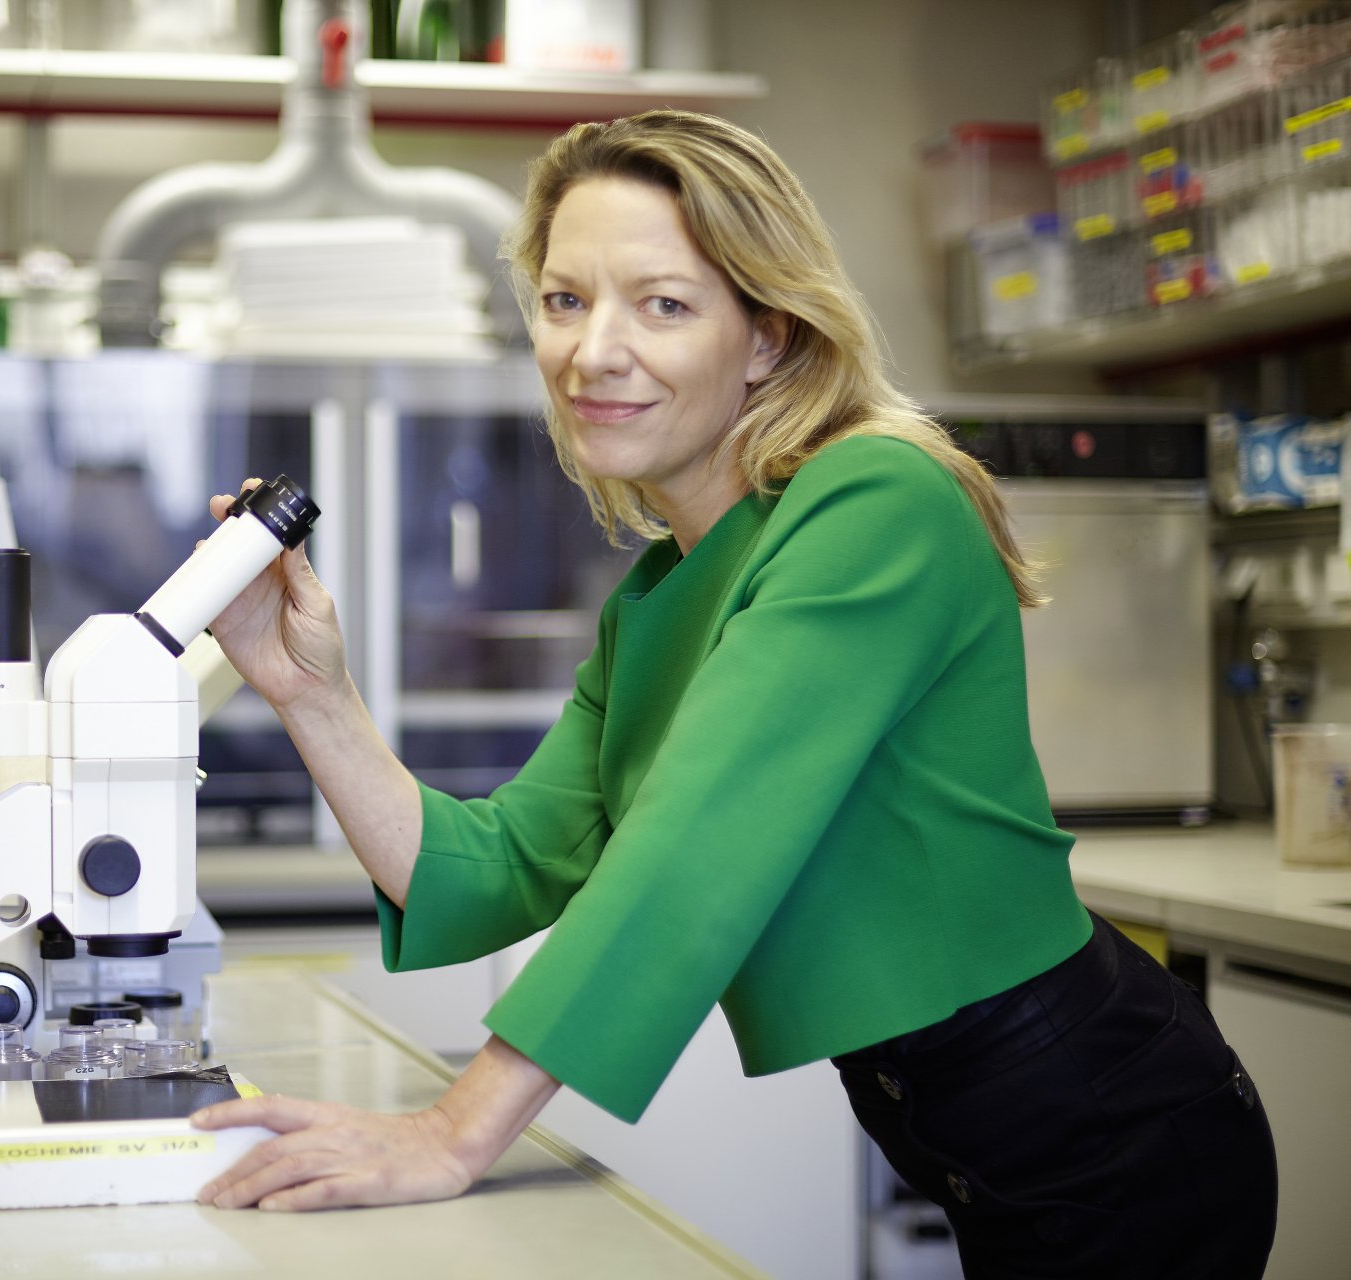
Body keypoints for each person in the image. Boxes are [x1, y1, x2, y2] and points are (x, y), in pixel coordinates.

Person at [187, 109, 1278, 1277]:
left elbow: (696, 847)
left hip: (1109, 1117)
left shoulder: (877, 498)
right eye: (565, 300)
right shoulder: (659, 597)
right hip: (962, 1124)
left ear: (765, 335)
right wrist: (313, 694)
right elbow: (498, 866)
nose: (593, 350)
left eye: (663, 303)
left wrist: (456, 1130)